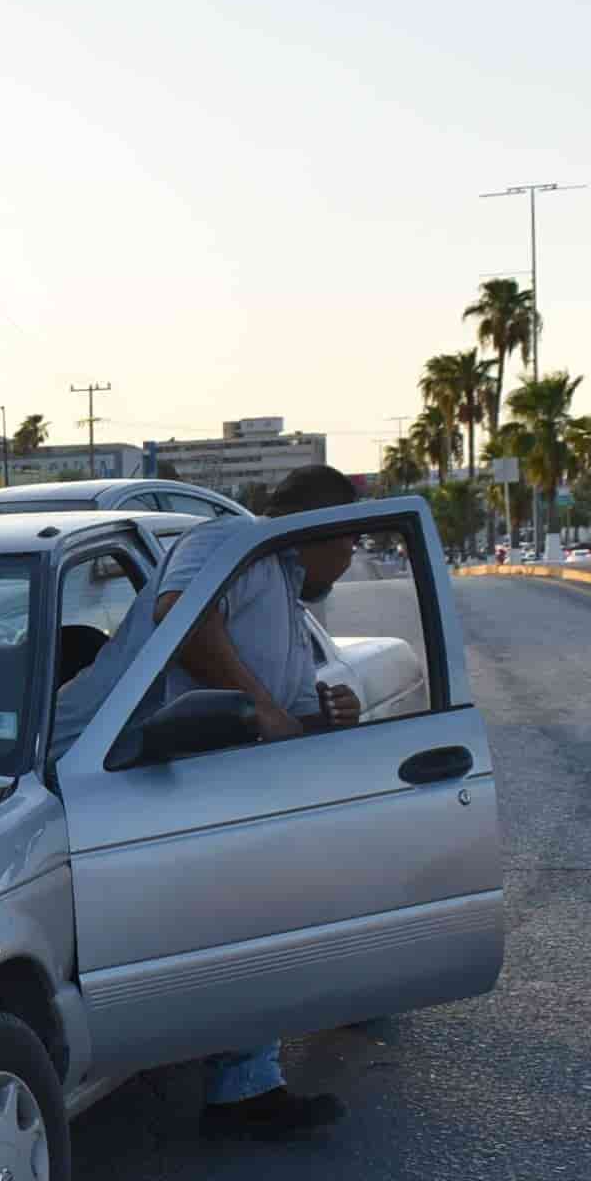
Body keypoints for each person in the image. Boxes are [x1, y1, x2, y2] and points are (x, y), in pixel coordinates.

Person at [57, 463, 364, 1140]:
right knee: (253, 911)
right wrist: (259, 706)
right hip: (99, 765)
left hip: (182, 767)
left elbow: (278, 701)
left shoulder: (281, 586)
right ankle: (239, 1088)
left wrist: (325, 711)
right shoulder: (229, 542)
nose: (352, 556)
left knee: (261, 910)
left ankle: (245, 1078)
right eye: (349, 542)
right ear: (323, 528)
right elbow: (181, 617)